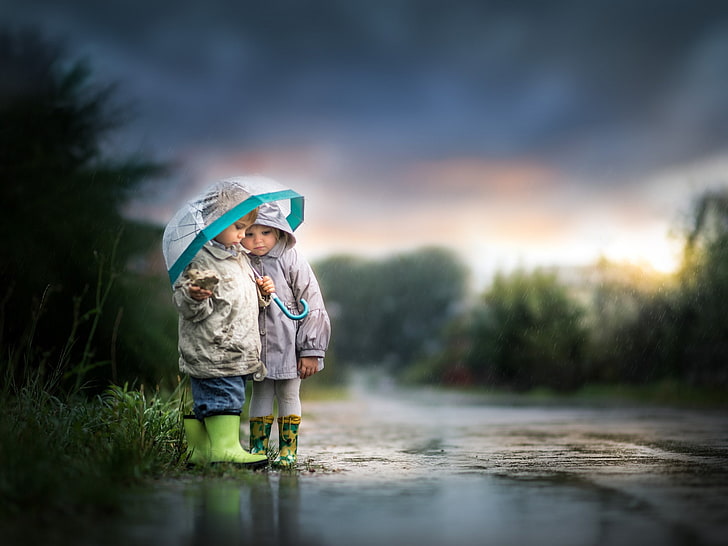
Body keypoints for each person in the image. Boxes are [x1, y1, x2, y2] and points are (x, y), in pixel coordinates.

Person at [171, 181, 276, 468]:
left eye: (247, 229)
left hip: (237, 347)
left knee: (215, 400)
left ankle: (201, 452)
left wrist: (262, 294)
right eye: (239, 227)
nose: (244, 235)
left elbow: (240, 301)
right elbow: (189, 308)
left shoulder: (239, 259)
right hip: (215, 348)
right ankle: (224, 449)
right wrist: (195, 295)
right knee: (224, 398)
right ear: (216, 222)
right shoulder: (199, 259)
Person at [241, 202, 331, 469]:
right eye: (249, 233)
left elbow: (312, 302)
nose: (257, 241)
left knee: (289, 393)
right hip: (256, 342)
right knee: (260, 393)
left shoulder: (290, 258)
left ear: (279, 232)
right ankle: (257, 449)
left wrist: (311, 350)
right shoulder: (242, 262)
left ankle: (287, 451)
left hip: (288, 340)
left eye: (265, 233)